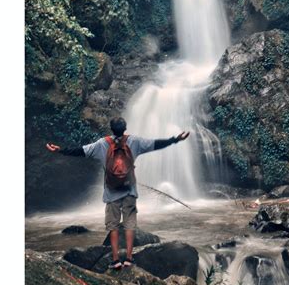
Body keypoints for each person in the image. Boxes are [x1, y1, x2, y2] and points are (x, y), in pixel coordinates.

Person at [46, 116, 190, 270]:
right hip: (130, 191)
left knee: (113, 227)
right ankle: (128, 259)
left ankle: (115, 260)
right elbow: (155, 144)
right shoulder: (134, 142)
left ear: (111, 128)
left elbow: (80, 151)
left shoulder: (102, 144)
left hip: (111, 191)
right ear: (125, 128)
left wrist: (60, 150)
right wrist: (176, 139)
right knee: (129, 225)